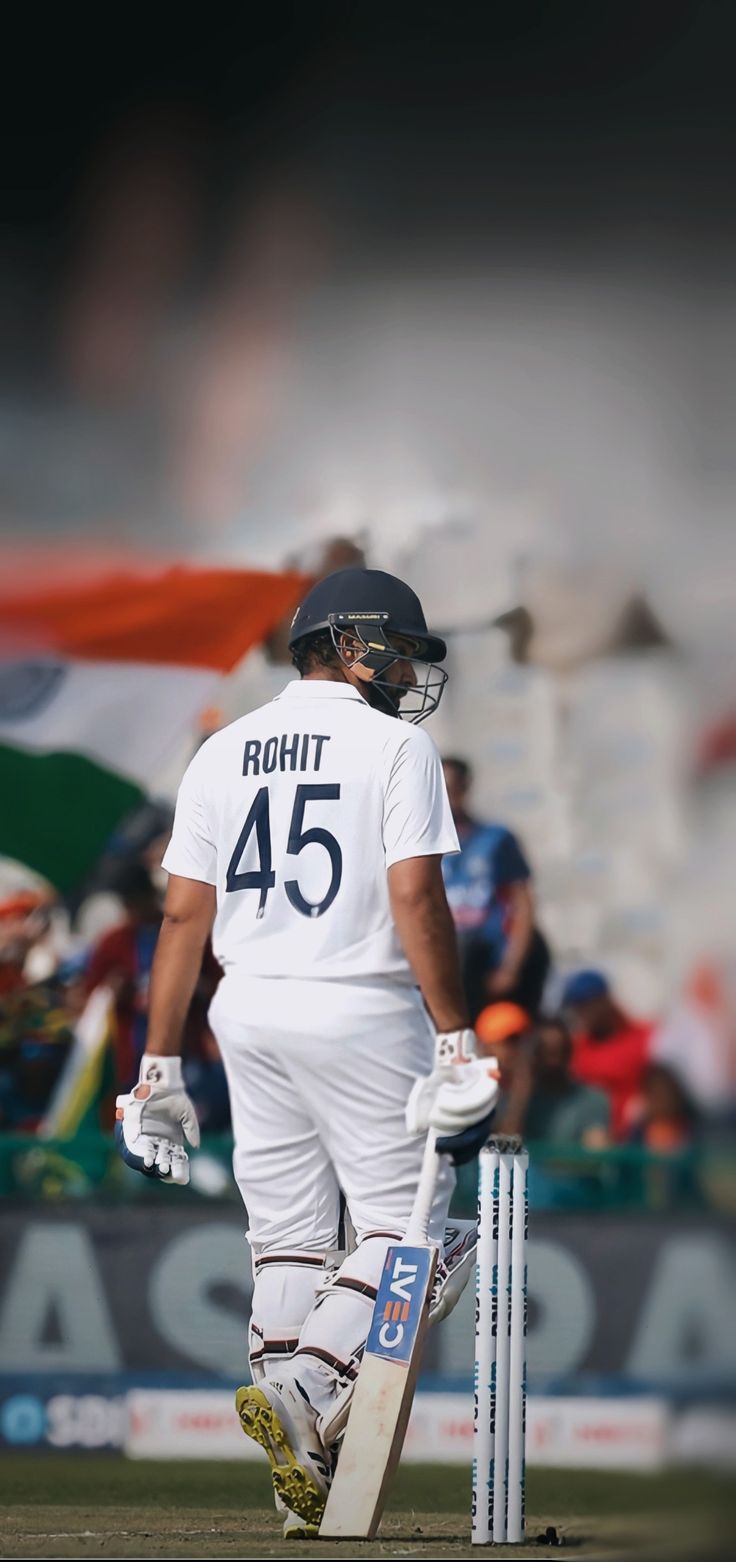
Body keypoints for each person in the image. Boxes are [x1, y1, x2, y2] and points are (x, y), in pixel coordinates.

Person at [114, 566, 498, 1535]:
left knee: (285, 1238)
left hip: (245, 1008)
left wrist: (156, 1068)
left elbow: (180, 917)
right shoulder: (394, 746)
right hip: (360, 1004)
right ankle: (299, 1395)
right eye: (399, 650)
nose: (407, 670)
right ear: (353, 643)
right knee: (407, 1236)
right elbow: (416, 898)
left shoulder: (221, 750)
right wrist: (457, 1035)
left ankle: (302, 1464)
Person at [441, 757, 550, 1021]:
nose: (446, 796)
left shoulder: (495, 839)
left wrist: (510, 968)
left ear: (466, 788)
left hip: (486, 958)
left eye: (452, 788)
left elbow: (522, 903)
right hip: (445, 960)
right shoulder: (416, 844)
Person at [563, 969, 652, 1141]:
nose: (581, 1012)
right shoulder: (575, 1047)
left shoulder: (644, 1037)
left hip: (634, 1140)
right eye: (576, 1006)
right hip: (589, 1141)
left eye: (586, 1004)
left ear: (605, 1000)